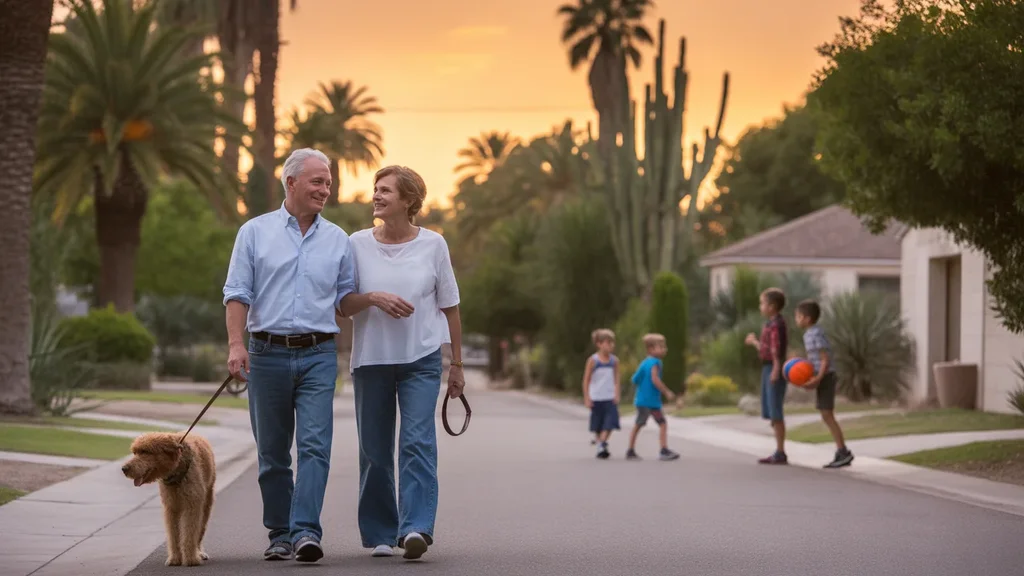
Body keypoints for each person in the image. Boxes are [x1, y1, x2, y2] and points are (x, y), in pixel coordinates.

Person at [223, 148, 354, 563]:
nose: (325, 189)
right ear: (292, 182)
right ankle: (279, 532)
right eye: (318, 181)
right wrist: (235, 344)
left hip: (319, 354)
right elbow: (237, 293)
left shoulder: (339, 240)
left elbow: (346, 300)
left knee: (315, 446)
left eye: (328, 183)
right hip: (266, 354)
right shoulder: (254, 233)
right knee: (273, 452)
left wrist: (383, 297)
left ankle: (305, 532)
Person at [337, 165, 465, 561]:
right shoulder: (356, 244)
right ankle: (379, 531)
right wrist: (373, 297)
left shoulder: (434, 245)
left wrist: (456, 365)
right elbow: (343, 305)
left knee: (417, 441)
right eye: (375, 189)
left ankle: (416, 528)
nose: (376, 195)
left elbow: (451, 307)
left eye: (386, 190)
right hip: (372, 359)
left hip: (421, 359)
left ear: (408, 201)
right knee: (374, 449)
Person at [795, 300, 855, 468]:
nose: (796, 319)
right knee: (825, 414)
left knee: (827, 414)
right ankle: (842, 451)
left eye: (798, 316)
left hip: (827, 376)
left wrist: (818, 378)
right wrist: (809, 378)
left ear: (807, 319)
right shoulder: (809, 334)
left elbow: (824, 359)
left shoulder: (815, 334)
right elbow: (813, 360)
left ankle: (843, 452)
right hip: (822, 376)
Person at [745, 287, 789, 465]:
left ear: (772, 306)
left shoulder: (777, 325)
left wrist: (776, 370)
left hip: (773, 368)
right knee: (770, 411)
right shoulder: (770, 324)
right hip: (767, 367)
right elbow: (767, 349)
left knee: (775, 411)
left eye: (762, 303)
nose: (760, 306)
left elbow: (776, 351)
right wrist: (754, 342)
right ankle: (778, 450)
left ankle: (780, 451)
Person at [625, 334, 681, 461]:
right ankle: (663, 450)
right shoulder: (656, 362)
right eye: (660, 347)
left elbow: (634, 379)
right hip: (651, 402)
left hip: (642, 401)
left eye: (664, 347)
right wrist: (666, 392)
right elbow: (655, 379)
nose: (664, 349)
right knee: (662, 423)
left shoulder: (644, 363)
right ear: (650, 349)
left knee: (639, 424)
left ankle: (630, 450)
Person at [583, 329, 620, 459]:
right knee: (598, 424)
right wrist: (587, 397)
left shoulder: (614, 361)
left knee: (611, 422)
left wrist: (617, 393)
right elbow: (586, 379)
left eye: (612, 343)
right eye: (607, 343)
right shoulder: (593, 360)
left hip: (609, 396)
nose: (610, 346)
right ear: (599, 344)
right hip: (596, 396)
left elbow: (616, 378)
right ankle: (600, 444)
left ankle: (602, 442)